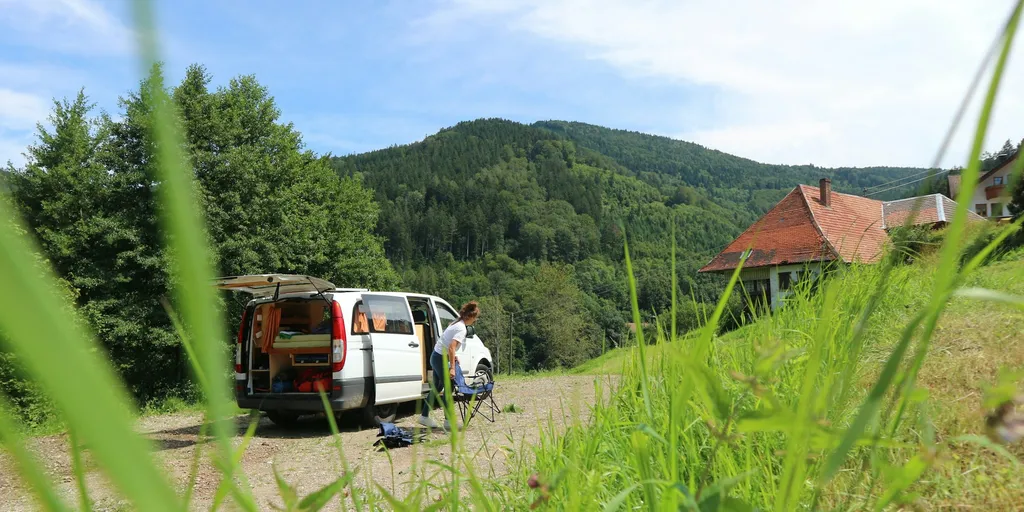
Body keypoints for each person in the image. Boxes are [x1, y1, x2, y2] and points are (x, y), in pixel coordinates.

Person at [418, 301, 480, 430]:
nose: (475, 321)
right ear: (470, 317)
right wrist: (452, 367)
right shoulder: (462, 328)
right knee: (449, 386)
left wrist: (452, 357)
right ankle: (448, 421)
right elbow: (451, 347)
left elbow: (447, 345)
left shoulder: (456, 323)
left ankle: (424, 417)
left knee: (437, 387)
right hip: (439, 358)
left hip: (436, 356)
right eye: (475, 318)